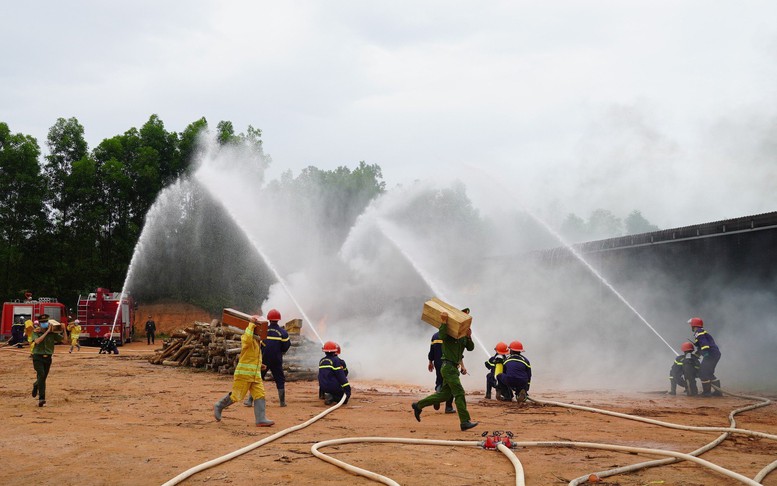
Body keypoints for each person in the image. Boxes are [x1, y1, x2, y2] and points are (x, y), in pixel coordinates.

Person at [412, 311, 478, 431]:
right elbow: (441, 335)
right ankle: (464, 421)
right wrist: (443, 322)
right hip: (447, 367)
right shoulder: (448, 334)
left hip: (453, 368)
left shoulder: (462, 337)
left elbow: (470, 348)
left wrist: (469, 336)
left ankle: (418, 405)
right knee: (459, 393)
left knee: (445, 394)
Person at [214, 316, 274, 426]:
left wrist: (260, 365)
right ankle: (219, 405)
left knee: (260, 394)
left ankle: (260, 419)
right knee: (236, 396)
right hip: (244, 375)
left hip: (255, 375)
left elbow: (252, 357)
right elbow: (246, 340)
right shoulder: (248, 338)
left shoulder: (257, 342)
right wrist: (251, 325)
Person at [244, 309, 291, 408]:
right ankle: (282, 402)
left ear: (268, 319)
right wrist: (280, 352)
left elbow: (257, 342)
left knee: (257, 378)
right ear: (278, 319)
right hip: (277, 359)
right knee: (280, 379)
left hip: (263, 359)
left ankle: (249, 401)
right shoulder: (283, 332)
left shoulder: (263, 330)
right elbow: (286, 346)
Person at [30, 314, 64, 407]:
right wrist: (47, 331)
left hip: (48, 358)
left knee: (43, 377)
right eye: (42, 322)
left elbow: (65, 341)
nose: (44, 324)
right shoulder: (36, 332)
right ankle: (42, 399)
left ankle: (36, 384)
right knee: (41, 374)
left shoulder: (52, 334)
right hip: (38, 357)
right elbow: (37, 341)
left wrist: (64, 330)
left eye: (46, 322)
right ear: (39, 324)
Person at [689, 317, 722, 396]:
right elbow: (701, 346)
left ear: (694, 325)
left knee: (702, 372)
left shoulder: (699, 332)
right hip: (714, 354)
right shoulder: (701, 332)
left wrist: (706, 353)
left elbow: (704, 344)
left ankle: (707, 393)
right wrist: (697, 354)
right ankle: (718, 392)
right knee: (709, 373)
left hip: (711, 354)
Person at [427, 330, 455, 413]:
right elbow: (456, 352)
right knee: (451, 384)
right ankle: (448, 407)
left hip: (438, 363)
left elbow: (431, 351)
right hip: (449, 363)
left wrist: (430, 362)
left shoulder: (435, 336)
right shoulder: (452, 336)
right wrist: (461, 365)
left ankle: (437, 396)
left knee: (439, 381)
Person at [318, 341, 351, 405]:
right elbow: (342, 376)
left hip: (323, 386)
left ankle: (323, 395)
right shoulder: (337, 361)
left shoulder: (321, 360)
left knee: (326, 377)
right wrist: (347, 389)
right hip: (333, 386)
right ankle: (332, 397)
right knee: (344, 400)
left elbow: (321, 376)